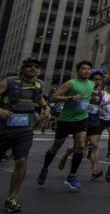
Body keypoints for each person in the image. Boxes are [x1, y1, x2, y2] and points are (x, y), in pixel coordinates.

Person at [0, 58, 49, 212]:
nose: (33, 69)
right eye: (29, 66)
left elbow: (40, 99)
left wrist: (46, 108)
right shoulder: (8, 82)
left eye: (36, 66)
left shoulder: (39, 84)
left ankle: (12, 198)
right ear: (22, 69)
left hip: (25, 130)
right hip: (2, 129)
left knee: (21, 160)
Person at [38, 61, 96, 191]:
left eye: (88, 69)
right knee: (56, 146)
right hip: (66, 119)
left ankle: (72, 176)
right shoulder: (71, 83)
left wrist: (93, 100)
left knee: (80, 146)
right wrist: (70, 98)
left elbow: (86, 97)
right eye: (83, 69)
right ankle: (45, 168)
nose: (86, 71)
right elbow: (54, 98)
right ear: (78, 71)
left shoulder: (92, 84)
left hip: (82, 118)